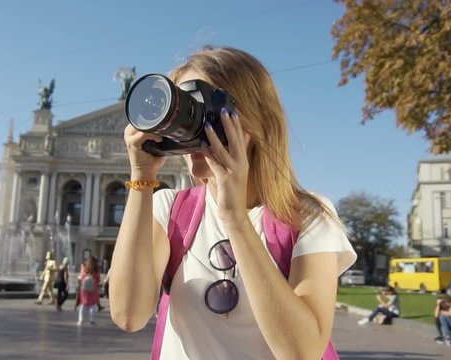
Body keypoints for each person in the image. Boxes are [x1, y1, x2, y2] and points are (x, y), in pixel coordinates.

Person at [109, 46, 356, 359]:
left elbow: (302, 353)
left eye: (200, 111)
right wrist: (141, 177)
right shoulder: (168, 208)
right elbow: (128, 314)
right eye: (181, 113)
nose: (186, 132)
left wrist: (235, 218)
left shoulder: (309, 217)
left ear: (252, 121)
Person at [77, 256, 101, 325]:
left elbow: (81, 278)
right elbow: (98, 280)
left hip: (84, 289)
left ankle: (81, 320)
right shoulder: (96, 271)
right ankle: (92, 320)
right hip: (93, 289)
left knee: (83, 305)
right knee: (92, 305)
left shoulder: (85, 269)